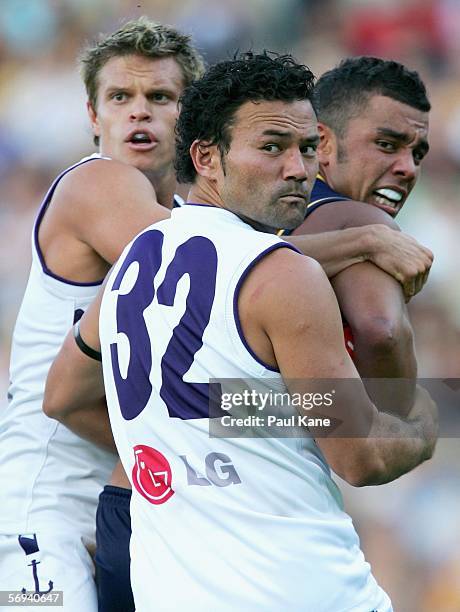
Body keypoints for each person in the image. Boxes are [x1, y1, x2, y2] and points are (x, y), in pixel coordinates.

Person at [44, 51, 437, 612]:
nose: (298, 170)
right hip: (298, 587)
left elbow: (66, 394)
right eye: (272, 148)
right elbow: (361, 457)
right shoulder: (284, 272)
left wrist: (248, 421)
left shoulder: (134, 261)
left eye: (306, 149)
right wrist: (424, 420)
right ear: (206, 156)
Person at [0, 17, 205, 611]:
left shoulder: (190, 216)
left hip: (130, 508)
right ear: (94, 116)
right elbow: (210, 273)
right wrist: (357, 241)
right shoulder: (97, 182)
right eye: (120, 97)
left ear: (188, 116)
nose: (138, 112)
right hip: (44, 510)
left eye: (159, 97)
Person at [285, 56, 431, 415]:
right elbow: (383, 332)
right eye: (386, 144)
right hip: (278, 455)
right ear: (322, 143)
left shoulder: (252, 216)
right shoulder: (362, 221)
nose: (408, 168)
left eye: (418, 153)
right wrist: (401, 415)